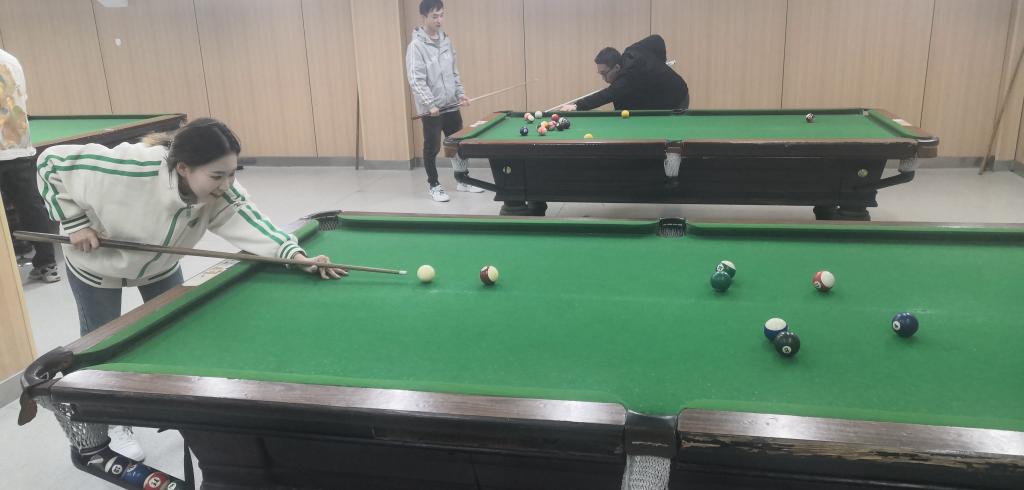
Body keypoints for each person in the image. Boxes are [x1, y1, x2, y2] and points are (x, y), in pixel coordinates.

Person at [35, 117, 347, 460]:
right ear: (183, 168)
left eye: (233, 173)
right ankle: (110, 423)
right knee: (99, 344)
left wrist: (296, 256)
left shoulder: (221, 192)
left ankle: (177, 408)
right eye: (217, 176)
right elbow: (51, 162)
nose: (226, 185)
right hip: (97, 264)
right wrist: (75, 222)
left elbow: (255, 224)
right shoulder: (130, 168)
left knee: (176, 337)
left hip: (160, 266)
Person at [406, 0, 483, 202]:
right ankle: (434, 185)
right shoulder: (416, 47)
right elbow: (416, 79)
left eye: (441, 15)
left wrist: (460, 94)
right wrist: (430, 103)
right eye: (435, 16)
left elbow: (453, 72)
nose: (439, 20)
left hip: (451, 105)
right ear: (424, 16)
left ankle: (462, 180)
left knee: (457, 144)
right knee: (432, 148)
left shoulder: (446, 41)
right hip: (432, 110)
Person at [0, 48, 60, 282]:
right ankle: (47, 264)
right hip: (19, 145)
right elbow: (22, 98)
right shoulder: (11, 60)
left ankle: (7, 276)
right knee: (30, 206)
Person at [558, 34, 689, 112]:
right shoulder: (631, 50)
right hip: (654, 94)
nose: (604, 79)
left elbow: (607, 95)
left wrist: (576, 106)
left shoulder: (627, 77)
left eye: (604, 73)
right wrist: (660, 63)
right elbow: (656, 39)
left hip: (676, 97)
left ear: (616, 67)